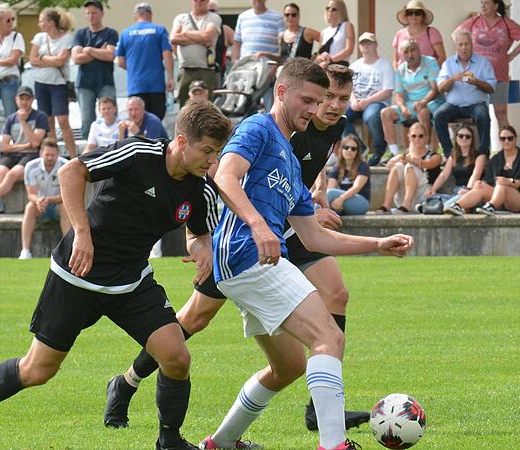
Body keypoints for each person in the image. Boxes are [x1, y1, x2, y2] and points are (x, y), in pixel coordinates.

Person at [0, 100, 234, 450]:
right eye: (207, 151)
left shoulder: (202, 188)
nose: (213, 161)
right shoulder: (139, 153)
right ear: (181, 141)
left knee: (176, 357)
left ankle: (169, 442)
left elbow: (199, 233)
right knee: (37, 370)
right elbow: (71, 172)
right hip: (77, 273)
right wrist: (82, 233)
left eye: (217, 153)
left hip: (131, 282)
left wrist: (201, 248)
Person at [103, 63, 373, 436]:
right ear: (293, 94)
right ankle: (127, 382)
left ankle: (321, 406)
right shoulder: (274, 126)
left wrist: (319, 199)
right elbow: (222, 175)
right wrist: (199, 235)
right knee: (195, 319)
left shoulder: (328, 129)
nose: (332, 106)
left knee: (335, 296)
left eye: (342, 99)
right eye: (326, 98)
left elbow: (304, 179)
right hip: (244, 236)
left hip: (286, 230)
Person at [207, 57, 412, 450]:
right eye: (308, 100)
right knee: (329, 338)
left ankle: (221, 443)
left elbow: (314, 237)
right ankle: (333, 444)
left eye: (320, 102)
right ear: (281, 92)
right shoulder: (258, 128)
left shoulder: (290, 161)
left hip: (248, 262)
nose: (315, 109)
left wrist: (378, 245)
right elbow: (224, 175)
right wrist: (258, 225)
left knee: (289, 366)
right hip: (247, 253)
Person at [0, 85, 49, 217]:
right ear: (16, 100)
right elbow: (4, 146)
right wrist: (26, 145)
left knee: (12, 174)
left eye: (27, 99)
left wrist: (24, 123)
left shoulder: (40, 116)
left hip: (32, 155)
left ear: (32, 100)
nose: (24, 102)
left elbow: (36, 142)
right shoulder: (10, 119)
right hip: (13, 154)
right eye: (21, 99)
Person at [455, 0, 520, 130]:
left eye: (487, 3)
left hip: (499, 75)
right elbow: (455, 35)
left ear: (495, 6)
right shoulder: (474, 21)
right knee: (475, 113)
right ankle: (478, 143)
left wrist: (511, 56)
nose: (483, 5)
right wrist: (465, 55)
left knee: (501, 113)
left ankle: (505, 141)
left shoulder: (506, 23)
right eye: (481, 2)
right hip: (475, 76)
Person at [444, 125, 520, 216]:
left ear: (515, 139)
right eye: (503, 139)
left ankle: (491, 206)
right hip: (498, 197)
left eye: (510, 138)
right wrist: (479, 184)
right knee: (480, 184)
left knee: (502, 184)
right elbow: (488, 180)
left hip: (519, 198)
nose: (506, 141)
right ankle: (457, 206)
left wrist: (509, 181)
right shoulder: (495, 159)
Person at [434, 30, 496, 157]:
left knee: (483, 115)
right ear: (456, 46)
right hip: (453, 105)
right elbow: (441, 89)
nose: (464, 48)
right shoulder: (448, 64)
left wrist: (476, 82)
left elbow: (491, 88)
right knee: (438, 115)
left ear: (472, 44)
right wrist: (452, 79)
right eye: (460, 44)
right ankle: (449, 153)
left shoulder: (483, 62)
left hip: (476, 104)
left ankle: (483, 153)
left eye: (466, 44)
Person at [381, 39, 442, 156]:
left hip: (431, 101)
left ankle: (425, 152)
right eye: (406, 52)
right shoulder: (400, 70)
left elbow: (435, 89)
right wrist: (403, 107)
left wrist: (423, 102)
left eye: (413, 50)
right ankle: (394, 153)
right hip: (411, 104)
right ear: (401, 55)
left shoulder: (430, 62)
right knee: (385, 113)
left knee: (422, 112)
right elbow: (398, 94)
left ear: (419, 50)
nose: (410, 55)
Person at [29, 7, 76, 158]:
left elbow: (60, 61)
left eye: (42, 21)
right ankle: (52, 155)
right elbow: (32, 60)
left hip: (58, 84)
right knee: (48, 121)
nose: (39, 24)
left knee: (62, 120)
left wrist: (42, 58)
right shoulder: (39, 38)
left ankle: (74, 156)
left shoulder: (66, 38)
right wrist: (50, 60)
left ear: (51, 22)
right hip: (41, 83)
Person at [116, 3, 174, 120]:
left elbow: (120, 62)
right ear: (150, 15)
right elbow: (167, 54)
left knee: (138, 121)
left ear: (135, 16)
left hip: (136, 86)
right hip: (156, 85)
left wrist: (134, 68)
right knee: (156, 120)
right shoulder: (159, 30)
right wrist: (170, 77)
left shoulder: (125, 33)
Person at [345, 32, 394, 166]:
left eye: (369, 42)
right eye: (363, 43)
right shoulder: (354, 66)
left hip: (377, 102)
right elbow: (348, 88)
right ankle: (361, 148)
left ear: (376, 45)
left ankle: (379, 150)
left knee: (371, 116)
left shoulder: (384, 65)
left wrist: (367, 101)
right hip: (357, 103)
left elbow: (387, 91)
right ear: (359, 46)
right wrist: (353, 100)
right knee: (340, 119)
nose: (366, 45)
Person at [72, 0, 118, 140]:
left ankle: (113, 147)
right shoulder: (80, 34)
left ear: (102, 13)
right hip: (84, 84)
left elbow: (110, 55)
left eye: (94, 13)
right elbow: (76, 58)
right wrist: (99, 52)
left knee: (110, 116)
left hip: (105, 82)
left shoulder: (110, 33)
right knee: (87, 120)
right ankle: (89, 149)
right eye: (88, 13)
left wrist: (88, 50)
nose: (90, 16)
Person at [19, 139, 69, 259]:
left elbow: (67, 196)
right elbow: (31, 194)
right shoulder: (31, 166)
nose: (50, 158)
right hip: (39, 205)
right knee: (29, 207)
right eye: (47, 155)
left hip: (58, 205)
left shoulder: (66, 166)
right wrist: (38, 200)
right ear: (41, 153)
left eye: (53, 155)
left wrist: (47, 200)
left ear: (58, 154)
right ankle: (25, 251)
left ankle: (69, 250)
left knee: (66, 207)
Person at [375, 122, 441, 214]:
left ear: (426, 137)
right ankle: (386, 206)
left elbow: (426, 164)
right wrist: (400, 159)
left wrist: (404, 158)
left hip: (423, 198)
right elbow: (390, 164)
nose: (417, 139)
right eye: (414, 136)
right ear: (409, 137)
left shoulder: (435, 156)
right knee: (397, 167)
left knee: (410, 166)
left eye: (421, 136)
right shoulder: (404, 156)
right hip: (402, 197)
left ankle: (406, 205)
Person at [171, 0, 221, 108]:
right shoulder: (181, 18)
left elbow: (207, 36)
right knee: (184, 107)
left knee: (207, 107)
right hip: (185, 70)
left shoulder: (213, 18)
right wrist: (200, 39)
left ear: (207, 1)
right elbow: (174, 38)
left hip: (206, 70)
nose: (198, 2)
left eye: (202, 0)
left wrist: (185, 33)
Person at [422, 124, 485, 209]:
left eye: (468, 136)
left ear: (472, 139)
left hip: (472, 190)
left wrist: (467, 189)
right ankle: (446, 205)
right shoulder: (453, 156)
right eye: (461, 136)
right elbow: (443, 175)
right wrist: (432, 190)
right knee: (427, 197)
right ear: (456, 138)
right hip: (457, 191)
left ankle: (442, 206)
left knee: (459, 198)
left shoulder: (480, 156)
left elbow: (476, 175)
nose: (464, 138)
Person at [254, 3, 320, 64]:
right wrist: (265, 54)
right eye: (287, 15)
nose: (290, 17)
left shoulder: (307, 32)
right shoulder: (281, 35)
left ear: (298, 16)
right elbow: (280, 58)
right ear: (283, 17)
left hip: (303, 71)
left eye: (293, 15)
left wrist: (316, 56)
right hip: (285, 71)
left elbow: (324, 39)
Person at [391, 0, 445, 68]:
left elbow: (442, 57)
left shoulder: (432, 32)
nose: (413, 16)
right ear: (406, 16)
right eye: (410, 13)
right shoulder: (399, 34)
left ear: (423, 16)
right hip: (403, 74)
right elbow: (395, 60)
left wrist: (428, 71)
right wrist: (397, 72)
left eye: (417, 13)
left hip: (427, 73)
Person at [327, 134, 370, 216]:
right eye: (346, 147)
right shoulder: (336, 167)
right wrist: (336, 201)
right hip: (342, 203)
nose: (349, 150)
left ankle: (312, 216)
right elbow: (330, 187)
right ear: (341, 149)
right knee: (329, 195)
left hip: (361, 203)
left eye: (353, 149)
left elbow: (356, 188)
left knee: (330, 194)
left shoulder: (363, 166)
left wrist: (340, 199)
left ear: (357, 152)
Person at [314, 0, 355, 67]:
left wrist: (331, 59)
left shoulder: (346, 25)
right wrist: (319, 58)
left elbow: (349, 50)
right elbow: (320, 52)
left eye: (334, 9)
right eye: (328, 8)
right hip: (325, 66)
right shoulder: (324, 32)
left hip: (340, 66)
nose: (330, 11)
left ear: (341, 11)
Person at [208, 0, 235, 79]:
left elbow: (240, 45)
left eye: (212, 11)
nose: (209, 14)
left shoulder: (225, 30)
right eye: (207, 11)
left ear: (217, 12)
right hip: (199, 72)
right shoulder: (196, 28)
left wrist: (233, 59)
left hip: (218, 74)